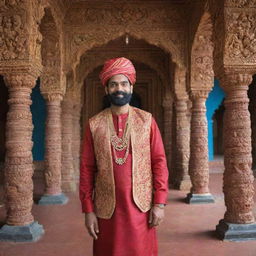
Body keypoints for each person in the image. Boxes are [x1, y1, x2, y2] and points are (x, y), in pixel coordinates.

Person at [79, 57, 169, 256]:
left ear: (131, 86)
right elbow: (86, 169)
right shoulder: (94, 124)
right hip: (106, 210)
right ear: (106, 89)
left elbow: (159, 162)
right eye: (113, 84)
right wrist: (88, 210)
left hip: (141, 209)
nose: (119, 88)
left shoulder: (146, 121)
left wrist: (159, 203)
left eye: (123, 83)